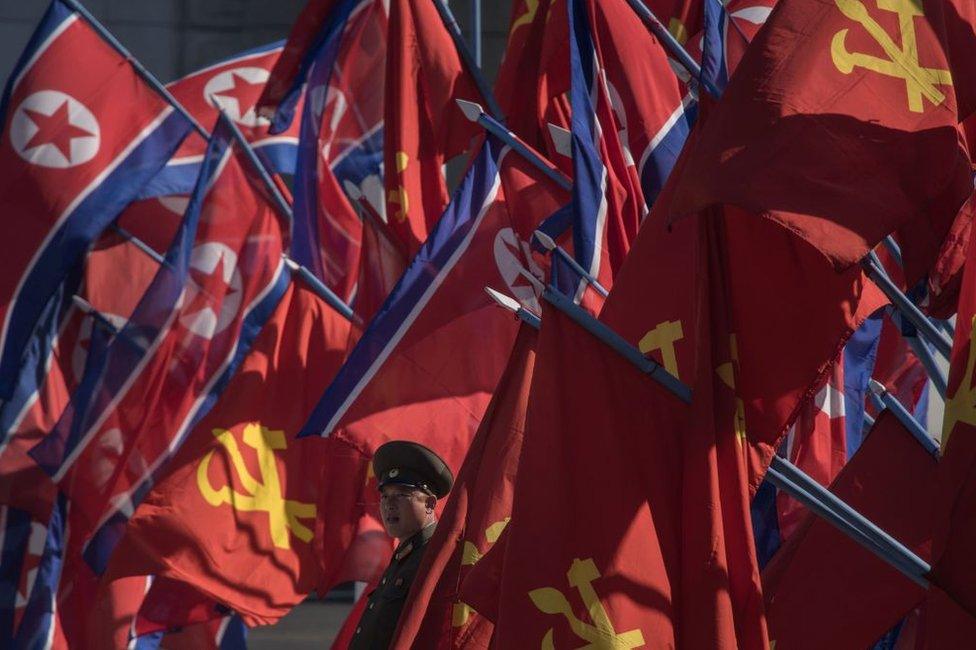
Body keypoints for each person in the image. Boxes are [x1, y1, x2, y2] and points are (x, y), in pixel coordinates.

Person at [348, 440, 454, 649]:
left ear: (430, 504)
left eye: (401, 495)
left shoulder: (437, 556)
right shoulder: (404, 556)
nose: (389, 504)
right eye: (385, 496)